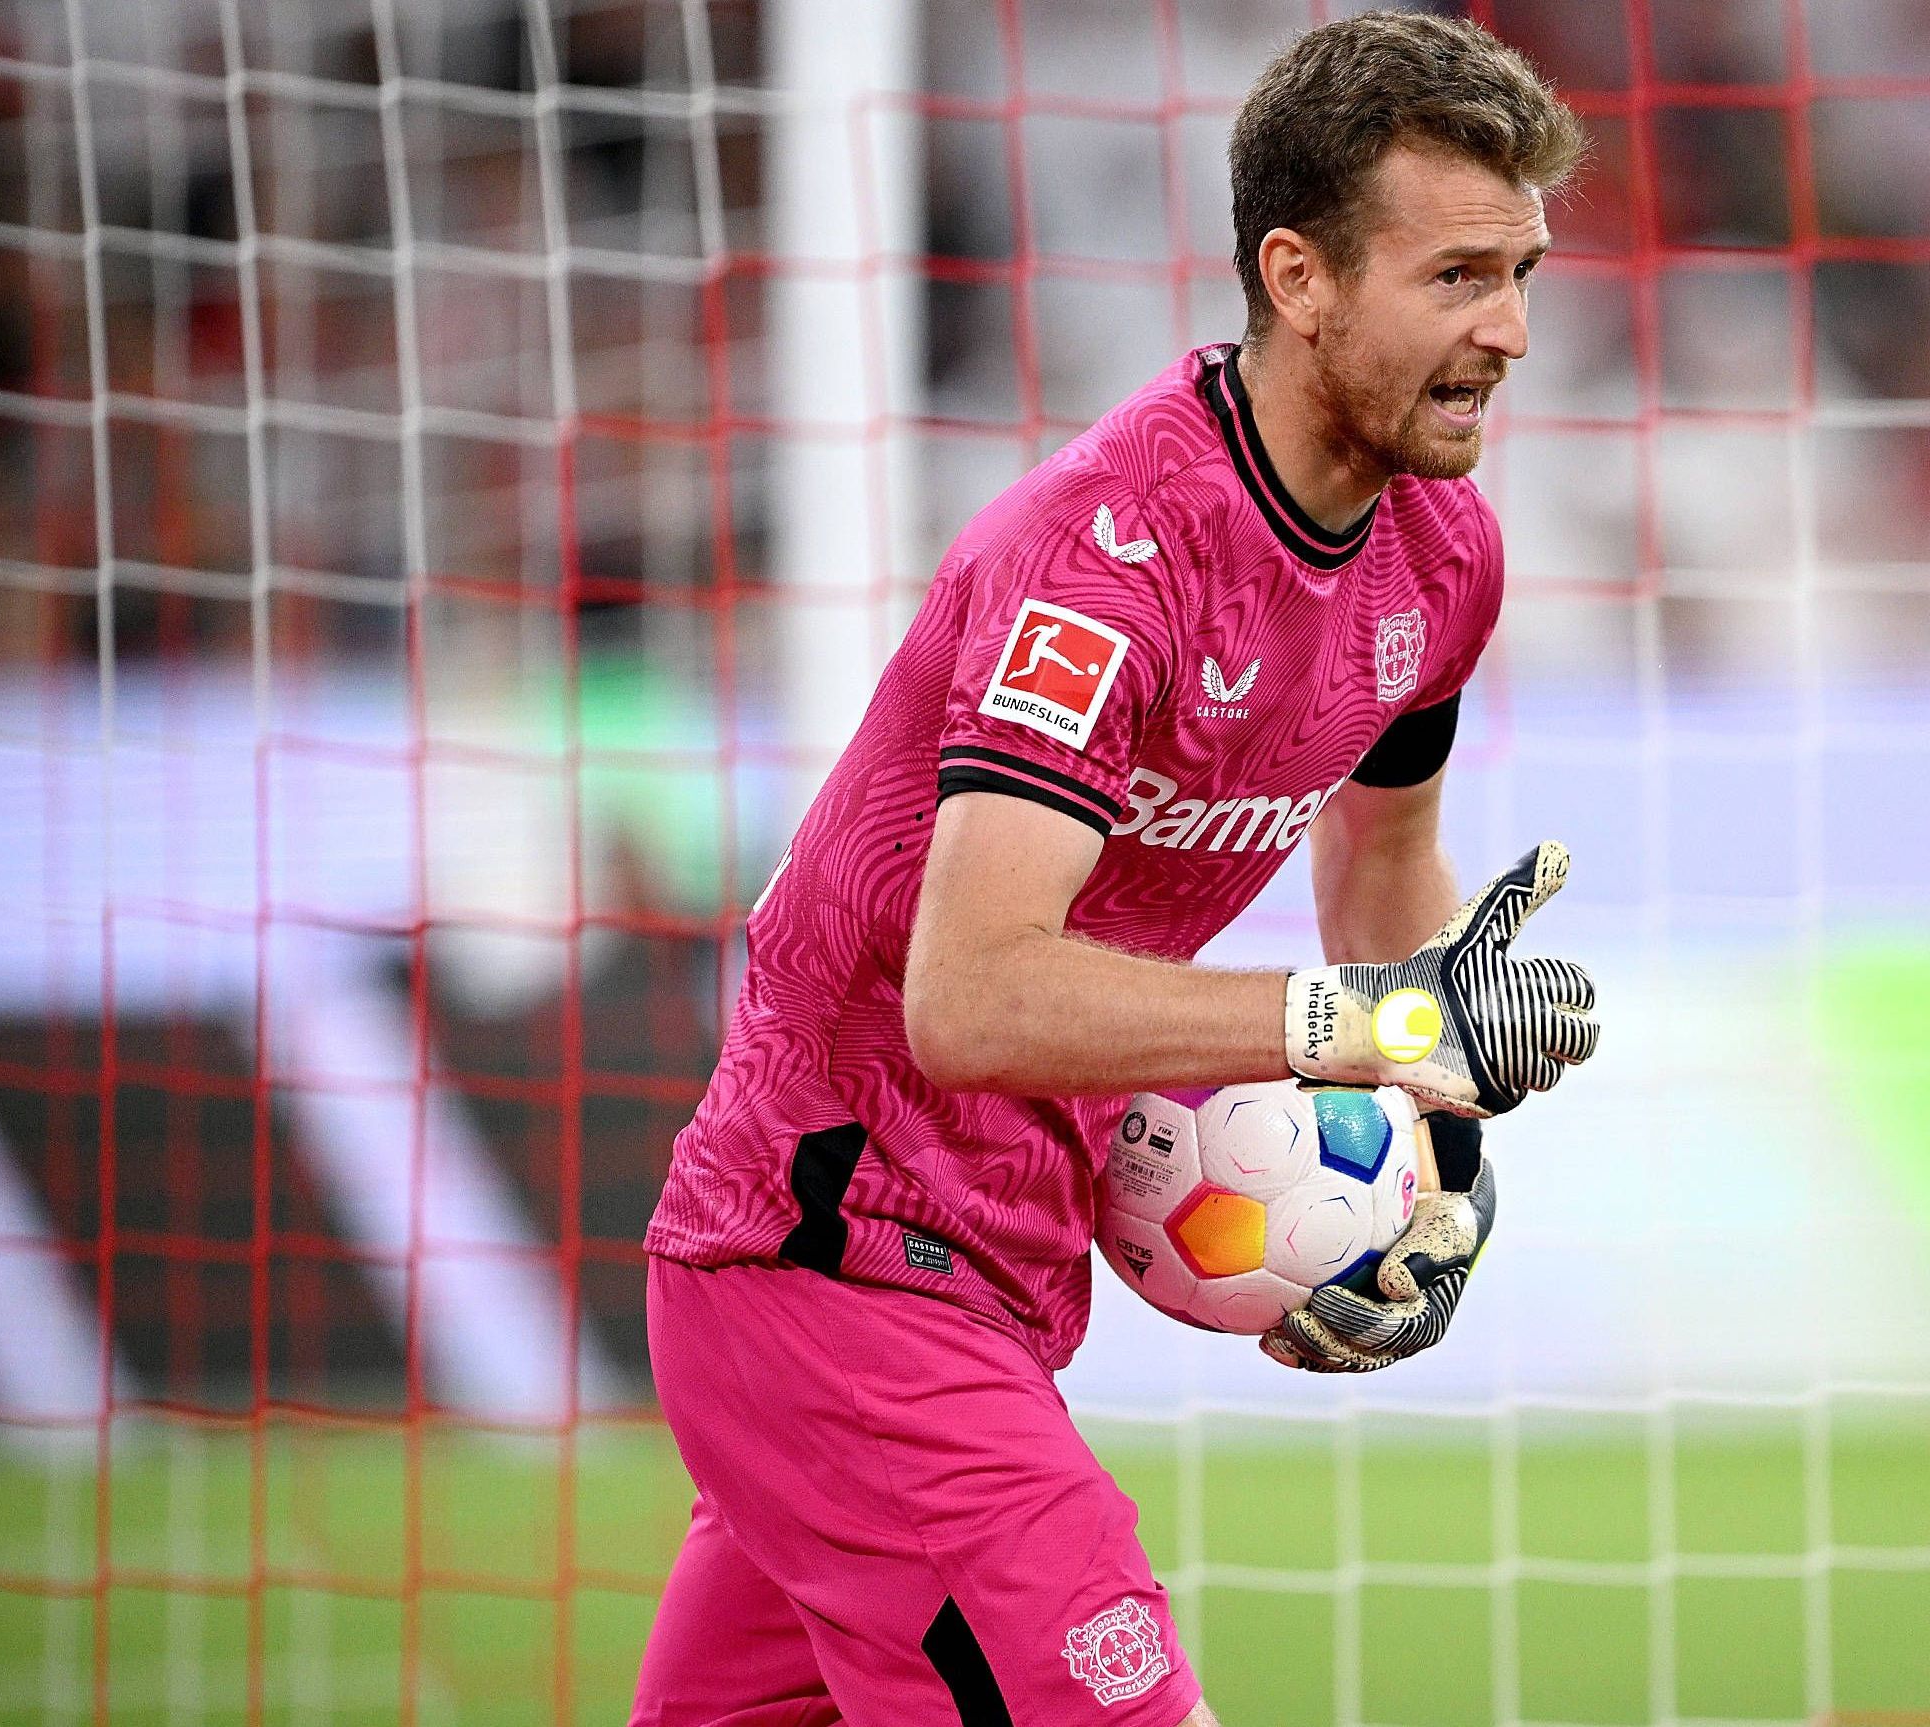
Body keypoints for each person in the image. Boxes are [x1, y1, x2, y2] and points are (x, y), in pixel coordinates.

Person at [628, 15, 1595, 1725]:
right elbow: (974, 996)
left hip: (985, 1283)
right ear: (1298, 277)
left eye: (1520, 270)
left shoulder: (1442, 559)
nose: (1510, 330)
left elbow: (1386, 878)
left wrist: (1432, 1150)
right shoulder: (1108, 558)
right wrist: (1374, 1031)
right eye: (1456, 275)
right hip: (830, 1259)